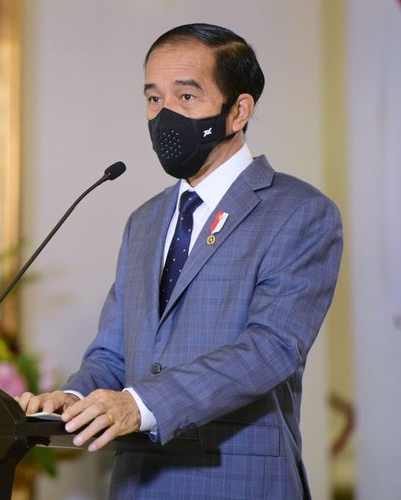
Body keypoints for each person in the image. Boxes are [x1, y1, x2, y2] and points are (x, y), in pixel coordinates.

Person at [17, 23, 342, 499]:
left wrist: (140, 404)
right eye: (153, 99)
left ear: (239, 110)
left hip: (237, 479)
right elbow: (112, 352)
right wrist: (75, 397)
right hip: (139, 481)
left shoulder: (300, 211)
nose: (164, 115)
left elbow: (271, 347)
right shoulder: (144, 221)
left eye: (186, 97)